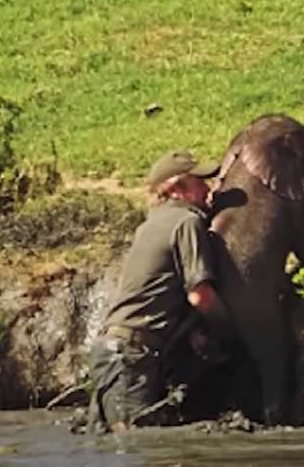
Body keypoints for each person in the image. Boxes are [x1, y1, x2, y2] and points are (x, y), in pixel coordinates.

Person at [87, 150, 231, 433]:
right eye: (199, 182)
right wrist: (228, 328)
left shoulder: (150, 225)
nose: (208, 189)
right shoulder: (187, 222)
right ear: (176, 189)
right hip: (131, 359)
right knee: (136, 444)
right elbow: (200, 295)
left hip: (112, 353)